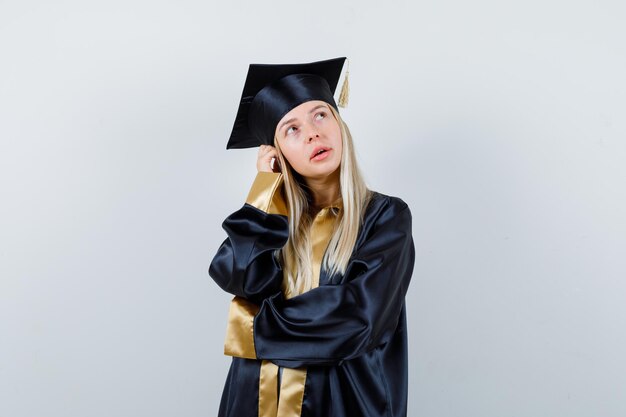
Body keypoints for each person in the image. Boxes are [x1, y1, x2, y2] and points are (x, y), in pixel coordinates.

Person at [208, 57, 415, 417]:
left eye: (320, 114)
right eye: (291, 129)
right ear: (278, 154)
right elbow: (237, 273)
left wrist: (253, 328)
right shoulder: (274, 225)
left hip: (340, 405)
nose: (312, 133)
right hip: (251, 403)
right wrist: (263, 190)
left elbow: (355, 320)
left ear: (339, 123)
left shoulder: (384, 218)